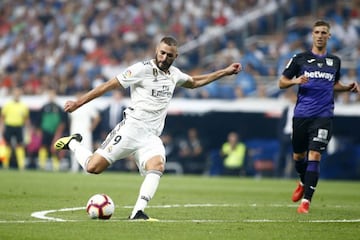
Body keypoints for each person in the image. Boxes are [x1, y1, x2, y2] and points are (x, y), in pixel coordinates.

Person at [54, 36, 242, 221]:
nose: (164, 58)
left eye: (169, 55)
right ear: (156, 51)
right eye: (162, 53)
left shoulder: (174, 74)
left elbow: (194, 82)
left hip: (151, 136)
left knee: (157, 166)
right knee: (92, 168)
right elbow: (108, 85)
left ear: (175, 57)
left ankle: (138, 212)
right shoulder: (141, 69)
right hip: (130, 130)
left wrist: (224, 72)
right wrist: (79, 103)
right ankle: (73, 144)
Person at [278, 20, 359, 214]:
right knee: (298, 155)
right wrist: (295, 81)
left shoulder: (334, 61)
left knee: (315, 154)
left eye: (324, 32)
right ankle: (302, 180)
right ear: (312, 35)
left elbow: (334, 84)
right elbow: (281, 82)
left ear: (329, 36)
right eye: (317, 32)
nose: (320, 35)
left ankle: (306, 202)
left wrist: (347, 87)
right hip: (302, 115)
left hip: (323, 116)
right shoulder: (299, 59)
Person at [0, 87, 30, 170]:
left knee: (19, 145)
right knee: (7, 145)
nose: (17, 94)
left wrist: (28, 130)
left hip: (19, 126)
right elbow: (2, 117)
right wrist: (1, 127)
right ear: (13, 94)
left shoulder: (23, 106)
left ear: (20, 94)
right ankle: (5, 165)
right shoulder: (8, 105)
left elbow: (26, 119)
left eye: (18, 93)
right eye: (15, 93)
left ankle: (21, 166)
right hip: (9, 126)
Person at [38, 89, 67, 171]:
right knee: (43, 147)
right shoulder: (44, 107)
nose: (51, 96)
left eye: (53, 95)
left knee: (55, 148)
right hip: (45, 130)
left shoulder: (58, 108)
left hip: (55, 132)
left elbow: (62, 122)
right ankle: (42, 165)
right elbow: (39, 120)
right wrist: (39, 130)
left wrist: (59, 132)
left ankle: (56, 167)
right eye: (50, 95)